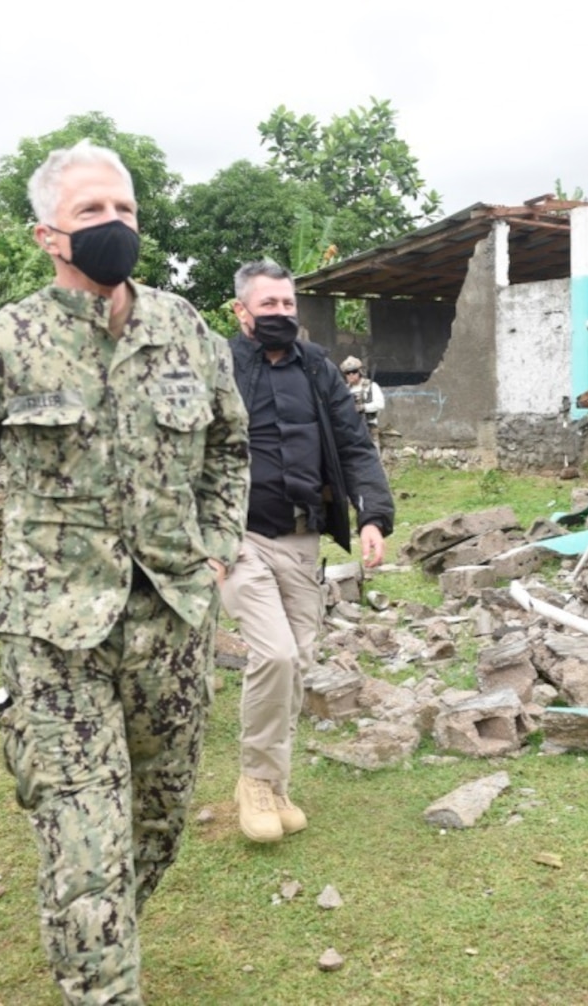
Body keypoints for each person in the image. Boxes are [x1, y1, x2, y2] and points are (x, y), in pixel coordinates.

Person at [0, 140, 249, 1005]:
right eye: (91, 212)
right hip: (53, 632)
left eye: (125, 210)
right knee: (83, 840)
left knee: (156, 826)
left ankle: (90, 935)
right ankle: (98, 975)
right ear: (47, 236)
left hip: (172, 616)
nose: (114, 225)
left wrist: (215, 543)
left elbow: (229, 445)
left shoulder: (187, 332)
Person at [225, 260, 395, 843]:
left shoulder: (318, 369)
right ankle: (254, 783)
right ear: (241, 311)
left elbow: (353, 443)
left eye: (287, 305)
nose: (280, 315)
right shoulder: (217, 369)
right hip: (237, 538)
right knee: (272, 655)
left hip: (302, 538)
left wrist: (372, 514)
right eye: (267, 305)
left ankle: (273, 786)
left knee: (295, 661)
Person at [339, 355, 385, 450]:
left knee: (373, 458)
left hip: (369, 429)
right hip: (351, 431)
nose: (351, 375)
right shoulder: (344, 390)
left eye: (354, 371)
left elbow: (380, 404)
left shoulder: (371, 386)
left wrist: (362, 407)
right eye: (348, 373)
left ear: (359, 372)